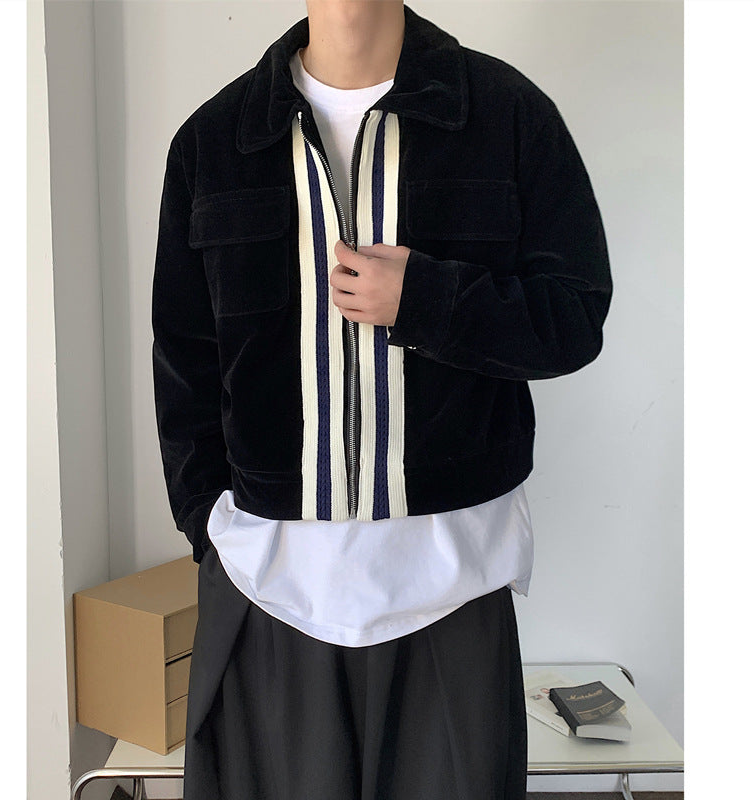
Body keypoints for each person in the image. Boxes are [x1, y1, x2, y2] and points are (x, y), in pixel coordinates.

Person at [151, 2, 612, 799]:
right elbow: (183, 360)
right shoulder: (213, 141)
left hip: (452, 588)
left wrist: (428, 301)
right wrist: (208, 524)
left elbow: (573, 318)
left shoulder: (506, 116)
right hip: (269, 587)